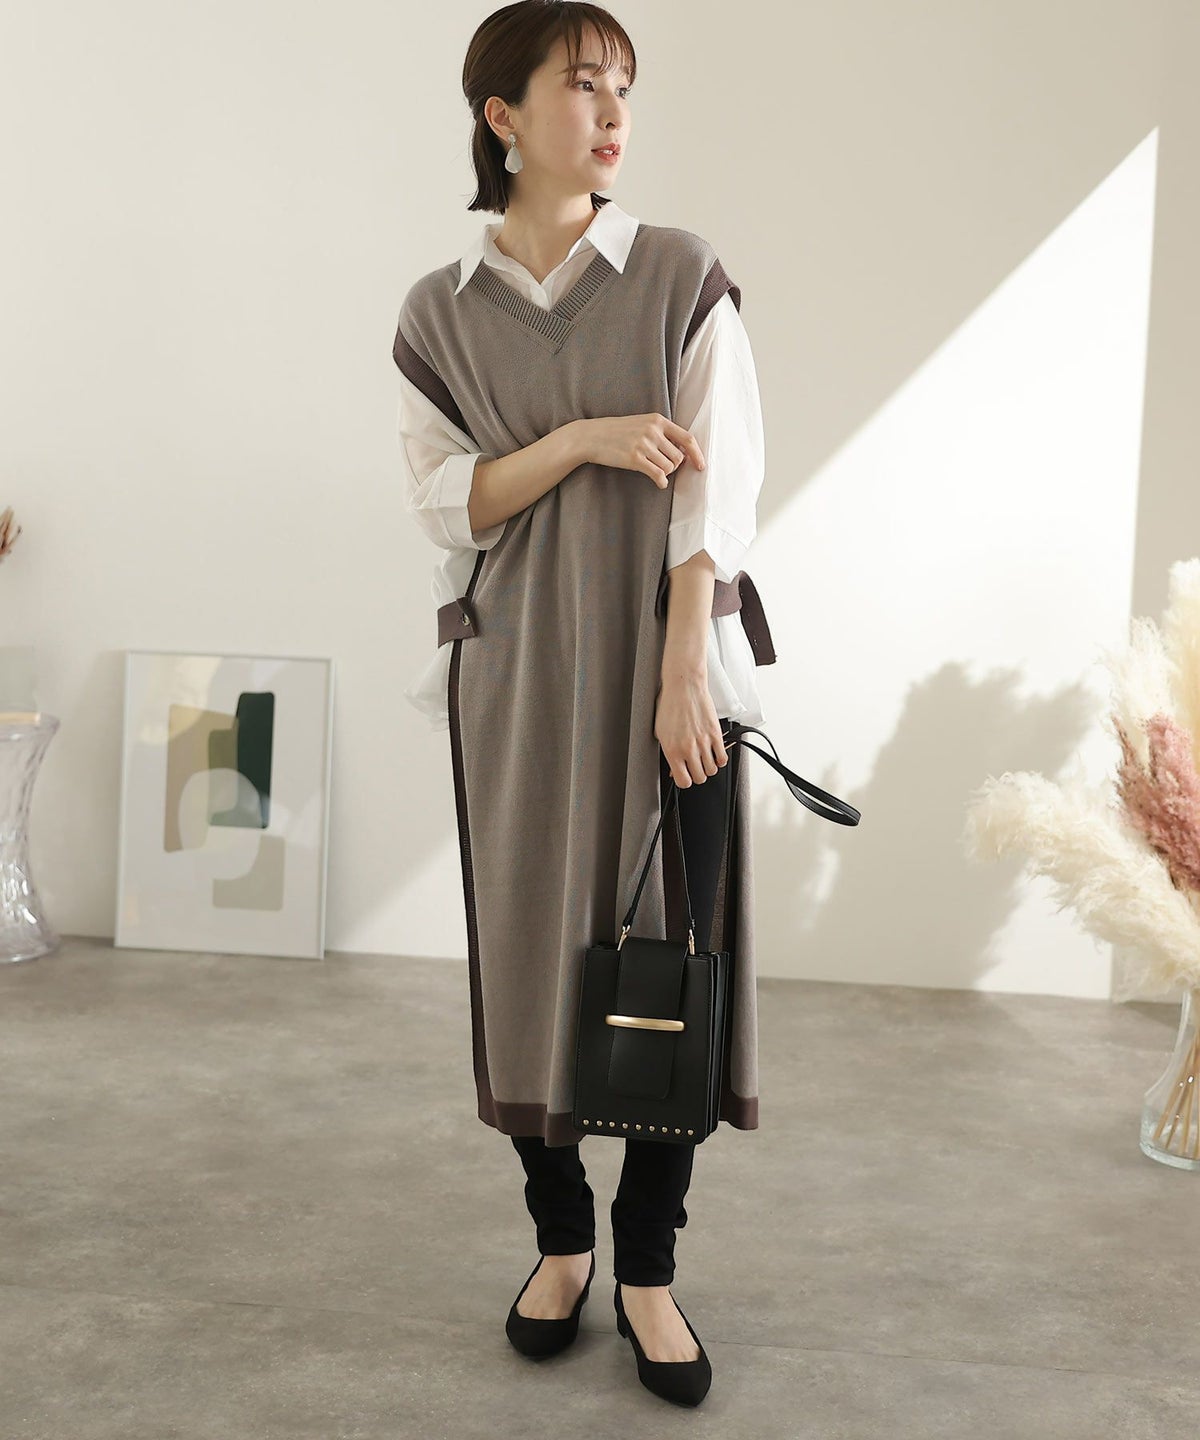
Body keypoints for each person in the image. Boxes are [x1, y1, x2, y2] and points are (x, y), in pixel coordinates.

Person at [392, 1, 769, 1407]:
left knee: (677, 969)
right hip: (515, 679)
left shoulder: (678, 273)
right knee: (531, 968)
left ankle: (648, 1271)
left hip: (670, 678)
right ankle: (561, 1242)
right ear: (502, 117)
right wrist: (583, 439)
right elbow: (448, 503)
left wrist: (683, 673)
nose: (612, 113)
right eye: (580, 86)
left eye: (623, 88)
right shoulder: (439, 312)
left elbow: (717, 488)